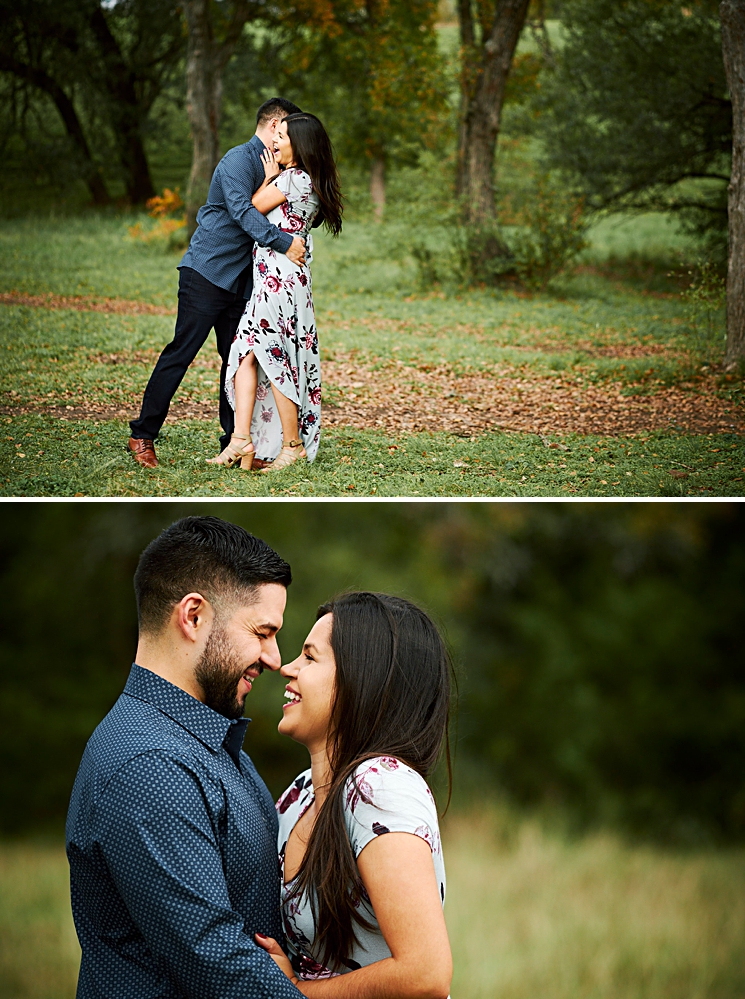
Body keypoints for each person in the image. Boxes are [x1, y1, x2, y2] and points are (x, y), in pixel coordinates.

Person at [66, 515, 304, 999]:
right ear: (192, 616)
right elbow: (217, 961)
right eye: (262, 632)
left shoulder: (202, 741)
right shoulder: (150, 762)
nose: (275, 658)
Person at [254, 592, 453, 999]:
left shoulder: (381, 786)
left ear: (361, 679)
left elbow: (426, 974)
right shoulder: (301, 793)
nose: (287, 667)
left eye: (309, 658)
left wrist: (293, 992)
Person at [127, 98, 309, 470]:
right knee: (182, 352)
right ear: (275, 125)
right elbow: (243, 213)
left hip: (244, 283)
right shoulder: (238, 161)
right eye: (288, 128)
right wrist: (284, 241)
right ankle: (142, 435)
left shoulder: (283, 167)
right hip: (208, 272)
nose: (290, 136)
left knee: (237, 361)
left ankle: (235, 443)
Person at [209, 113, 343, 473]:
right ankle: (241, 440)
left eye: (282, 137)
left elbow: (249, 210)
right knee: (247, 355)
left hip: (279, 282)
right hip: (277, 279)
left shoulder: (294, 179)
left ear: (299, 145)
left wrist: (268, 178)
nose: (276, 142)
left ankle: (292, 445)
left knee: (270, 356)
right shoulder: (304, 179)